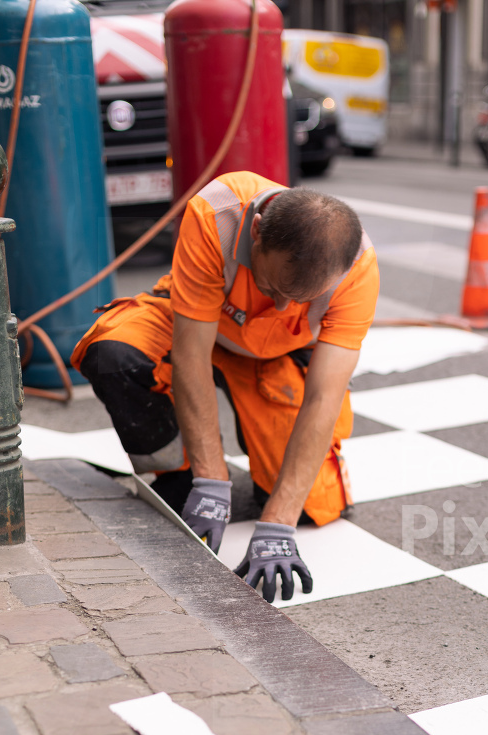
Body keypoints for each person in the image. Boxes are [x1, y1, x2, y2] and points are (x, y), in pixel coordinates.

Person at [71, 171, 379, 602]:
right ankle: (178, 475)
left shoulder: (357, 268)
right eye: (271, 286)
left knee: (313, 507)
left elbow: (323, 396)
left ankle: (256, 492)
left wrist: (278, 522)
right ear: (256, 231)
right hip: (200, 326)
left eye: (301, 299)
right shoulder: (216, 214)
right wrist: (211, 482)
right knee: (114, 354)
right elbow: (192, 357)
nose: (282, 306)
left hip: (276, 354)